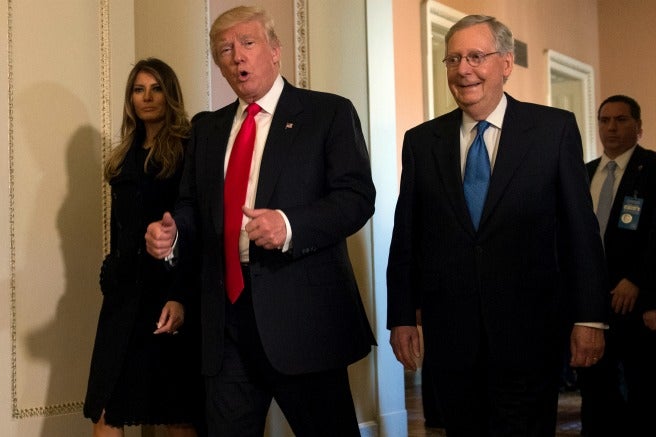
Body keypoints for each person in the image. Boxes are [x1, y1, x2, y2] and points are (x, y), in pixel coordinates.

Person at [145, 6, 376, 436]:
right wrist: (172, 234)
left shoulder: (327, 114)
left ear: (275, 51)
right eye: (225, 50)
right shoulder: (207, 129)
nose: (237, 57)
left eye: (248, 44)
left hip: (304, 322)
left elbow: (357, 198)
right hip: (226, 323)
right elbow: (191, 206)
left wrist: (289, 225)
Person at [386, 14, 609, 436]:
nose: (463, 69)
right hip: (451, 338)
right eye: (453, 59)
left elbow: (581, 231)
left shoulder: (552, 131)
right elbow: (407, 236)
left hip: (531, 334)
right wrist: (400, 315)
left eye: (475, 56)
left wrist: (590, 317)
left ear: (506, 63)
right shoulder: (422, 141)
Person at [84, 58, 203, 437]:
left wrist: (181, 294)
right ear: (130, 98)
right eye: (139, 89)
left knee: (173, 411)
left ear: (170, 94)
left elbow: (194, 226)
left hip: (166, 293)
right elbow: (121, 229)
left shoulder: (187, 148)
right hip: (122, 296)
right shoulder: (123, 156)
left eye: (155, 88)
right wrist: (111, 270)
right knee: (105, 407)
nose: (147, 97)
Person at [577, 95, 656, 436]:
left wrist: (638, 280)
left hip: (636, 302)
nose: (611, 127)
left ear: (639, 128)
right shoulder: (583, 173)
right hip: (590, 302)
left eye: (621, 120)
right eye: (605, 120)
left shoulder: (652, 169)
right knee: (595, 388)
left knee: (643, 390)